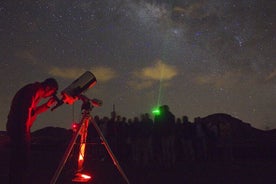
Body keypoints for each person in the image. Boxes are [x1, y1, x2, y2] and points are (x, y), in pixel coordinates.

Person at [6, 78, 58, 184]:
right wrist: (25, 133)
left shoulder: (34, 91)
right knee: (19, 162)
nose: (49, 95)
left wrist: (47, 105)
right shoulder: (33, 91)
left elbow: (33, 112)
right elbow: (26, 112)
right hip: (19, 130)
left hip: (18, 129)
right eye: (52, 92)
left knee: (19, 161)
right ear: (48, 87)